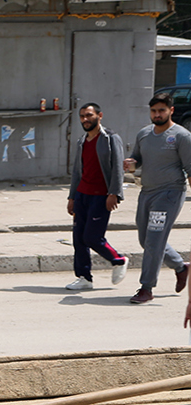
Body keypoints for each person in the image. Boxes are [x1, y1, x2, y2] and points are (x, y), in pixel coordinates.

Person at [123, 94, 191, 304]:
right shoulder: (144, 133)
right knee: (146, 240)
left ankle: (146, 288)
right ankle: (181, 267)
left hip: (170, 193)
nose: (157, 114)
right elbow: (138, 159)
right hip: (147, 192)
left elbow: (190, 169)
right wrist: (131, 163)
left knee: (154, 240)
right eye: (153, 111)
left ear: (171, 110)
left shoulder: (181, 136)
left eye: (162, 110)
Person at [66, 101, 128, 291]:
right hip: (82, 195)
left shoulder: (110, 139)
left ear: (99, 116)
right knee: (78, 239)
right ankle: (84, 277)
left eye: (89, 115)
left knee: (92, 237)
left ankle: (118, 259)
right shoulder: (81, 141)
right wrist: (72, 197)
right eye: (82, 116)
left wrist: (115, 193)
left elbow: (118, 167)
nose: (85, 119)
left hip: (101, 196)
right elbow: (77, 171)